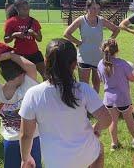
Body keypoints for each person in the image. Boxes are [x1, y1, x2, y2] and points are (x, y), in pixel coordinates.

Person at [19, 38, 112, 168]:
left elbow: (26, 135)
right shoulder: (84, 89)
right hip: (86, 155)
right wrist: (96, 128)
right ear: (74, 64)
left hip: (55, 161)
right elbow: (107, 119)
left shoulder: (33, 94)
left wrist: (25, 158)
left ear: (45, 62)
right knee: (99, 149)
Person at [0, 43, 42, 168]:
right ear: (21, 74)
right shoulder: (27, 88)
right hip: (32, 139)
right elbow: (31, 66)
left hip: (10, 140)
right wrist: (10, 55)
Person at [64, 0, 120, 93]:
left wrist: (108, 42)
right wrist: (78, 42)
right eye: (93, 8)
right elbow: (66, 33)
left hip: (98, 57)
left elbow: (116, 29)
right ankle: (84, 105)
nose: (96, 11)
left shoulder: (101, 20)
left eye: (98, 8)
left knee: (96, 83)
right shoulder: (81, 20)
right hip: (84, 57)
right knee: (84, 85)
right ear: (87, 8)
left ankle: (95, 104)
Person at [97, 39, 134, 151]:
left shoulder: (100, 64)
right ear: (117, 50)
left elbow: (102, 80)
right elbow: (133, 79)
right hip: (122, 98)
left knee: (113, 121)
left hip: (108, 99)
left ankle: (114, 144)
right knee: (129, 120)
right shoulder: (122, 63)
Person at [4, 0, 45, 79]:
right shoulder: (11, 22)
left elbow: (39, 39)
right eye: (23, 9)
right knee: (24, 78)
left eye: (28, 8)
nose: (26, 10)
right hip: (20, 55)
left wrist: (33, 33)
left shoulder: (34, 21)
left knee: (46, 75)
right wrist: (14, 34)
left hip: (35, 53)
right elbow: (6, 40)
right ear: (16, 8)